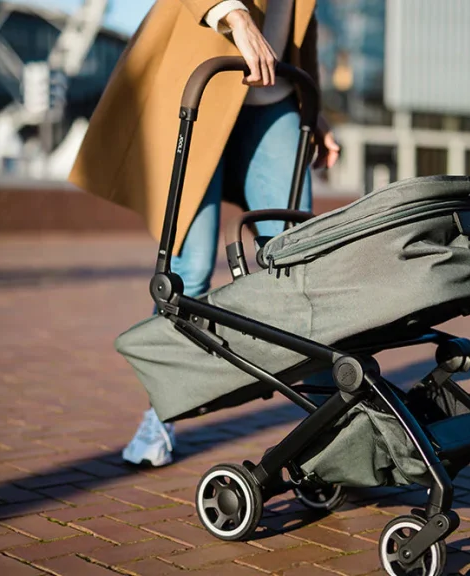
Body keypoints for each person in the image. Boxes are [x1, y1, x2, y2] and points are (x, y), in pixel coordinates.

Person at [68, 0, 340, 466]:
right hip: (201, 81)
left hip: (272, 97)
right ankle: (162, 412)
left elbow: (302, 22)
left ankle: (331, 428)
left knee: (301, 257)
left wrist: (314, 111)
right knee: (188, 269)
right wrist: (234, 15)